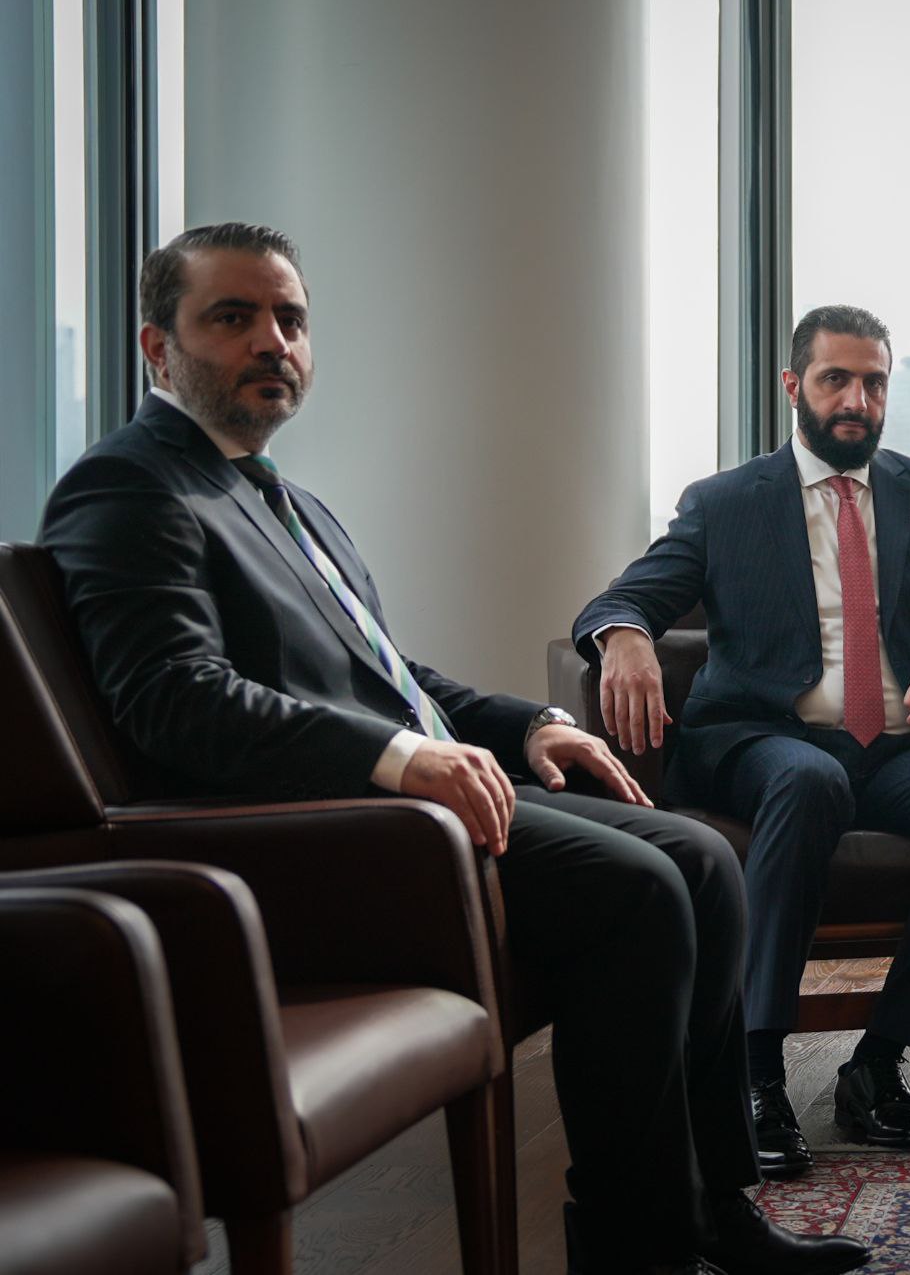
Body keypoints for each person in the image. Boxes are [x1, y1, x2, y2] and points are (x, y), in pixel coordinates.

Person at [40, 223, 866, 1275]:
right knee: (639, 888)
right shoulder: (129, 487)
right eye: (233, 317)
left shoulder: (285, 501)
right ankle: (634, 1241)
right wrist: (402, 759)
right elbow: (176, 703)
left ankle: (714, 1209)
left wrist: (532, 723)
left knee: (700, 857)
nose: (272, 341)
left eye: (290, 318)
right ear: (158, 348)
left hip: (396, 810)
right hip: (310, 845)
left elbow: (394, 676)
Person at [573, 304, 910, 1178]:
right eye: (837, 379)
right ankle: (755, 1069)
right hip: (767, 739)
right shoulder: (724, 503)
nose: (858, 400)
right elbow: (624, 597)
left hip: (904, 747)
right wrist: (624, 635)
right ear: (795, 387)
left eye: (874, 382)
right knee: (809, 780)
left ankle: (877, 1062)